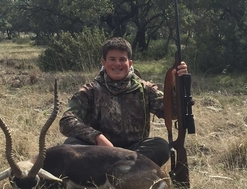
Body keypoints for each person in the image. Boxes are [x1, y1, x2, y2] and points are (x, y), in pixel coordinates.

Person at [59, 37, 188, 167]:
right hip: (98, 150)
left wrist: (177, 86)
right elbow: (66, 121)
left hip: (133, 151)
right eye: (112, 59)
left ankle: (109, 172)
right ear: (103, 62)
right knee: (71, 144)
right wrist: (97, 137)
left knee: (161, 146)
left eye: (122, 59)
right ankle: (124, 171)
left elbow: (172, 114)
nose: (117, 64)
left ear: (130, 63)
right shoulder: (90, 91)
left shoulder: (145, 89)